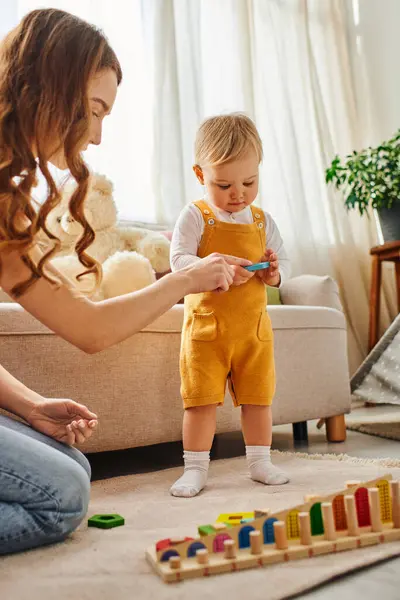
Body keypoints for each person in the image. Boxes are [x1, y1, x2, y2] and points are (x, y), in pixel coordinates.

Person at [0, 9, 248, 554]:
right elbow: (90, 328)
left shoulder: (6, 204)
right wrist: (184, 278)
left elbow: (85, 324)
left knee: (71, 465)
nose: (97, 135)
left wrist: (28, 405)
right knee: (62, 495)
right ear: (47, 87)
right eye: (92, 111)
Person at [169, 113, 291, 498]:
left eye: (249, 182)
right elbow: (178, 261)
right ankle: (195, 468)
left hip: (253, 332)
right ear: (200, 175)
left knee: (258, 398)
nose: (238, 192)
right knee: (200, 401)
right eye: (224, 184)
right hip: (208, 332)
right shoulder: (196, 216)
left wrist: (274, 273)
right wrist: (212, 265)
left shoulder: (262, 221)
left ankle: (259, 462)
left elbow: (283, 262)